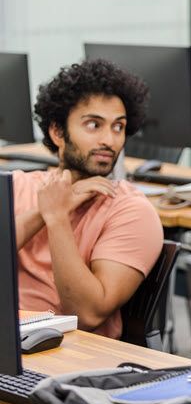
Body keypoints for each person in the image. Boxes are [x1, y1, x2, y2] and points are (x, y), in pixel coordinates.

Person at [14, 59, 164, 339]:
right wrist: (44, 211)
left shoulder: (130, 210)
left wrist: (57, 219)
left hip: (69, 359)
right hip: (9, 346)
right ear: (58, 132)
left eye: (118, 127)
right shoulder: (20, 185)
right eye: (94, 125)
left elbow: (87, 313)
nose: (109, 139)